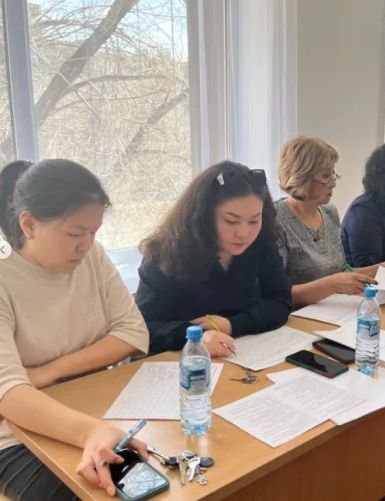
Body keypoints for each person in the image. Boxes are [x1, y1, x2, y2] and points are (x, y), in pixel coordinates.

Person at [0, 160, 149, 500]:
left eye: (94, 232)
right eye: (75, 234)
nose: (86, 244)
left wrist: (47, 372)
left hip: (96, 412)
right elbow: (8, 394)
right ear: (29, 224)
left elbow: (132, 333)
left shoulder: (91, 255)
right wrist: (90, 431)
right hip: (17, 438)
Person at [136, 161, 291, 356]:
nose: (244, 233)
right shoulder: (165, 252)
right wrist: (195, 337)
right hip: (187, 360)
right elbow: (145, 328)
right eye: (231, 221)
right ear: (204, 217)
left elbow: (281, 301)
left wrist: (232, 325)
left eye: (254, 220)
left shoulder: (261, 242)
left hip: (247, 352)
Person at [276, 136, 385, 308]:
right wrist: (332, 285)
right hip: (296, 317)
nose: (333, 184)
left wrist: (378, 270)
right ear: (301, 176)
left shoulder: (329, 212)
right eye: (326, 176)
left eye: (333, 174)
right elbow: (276, 295)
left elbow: (341, 272)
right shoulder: (275, 220)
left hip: (334, 311)